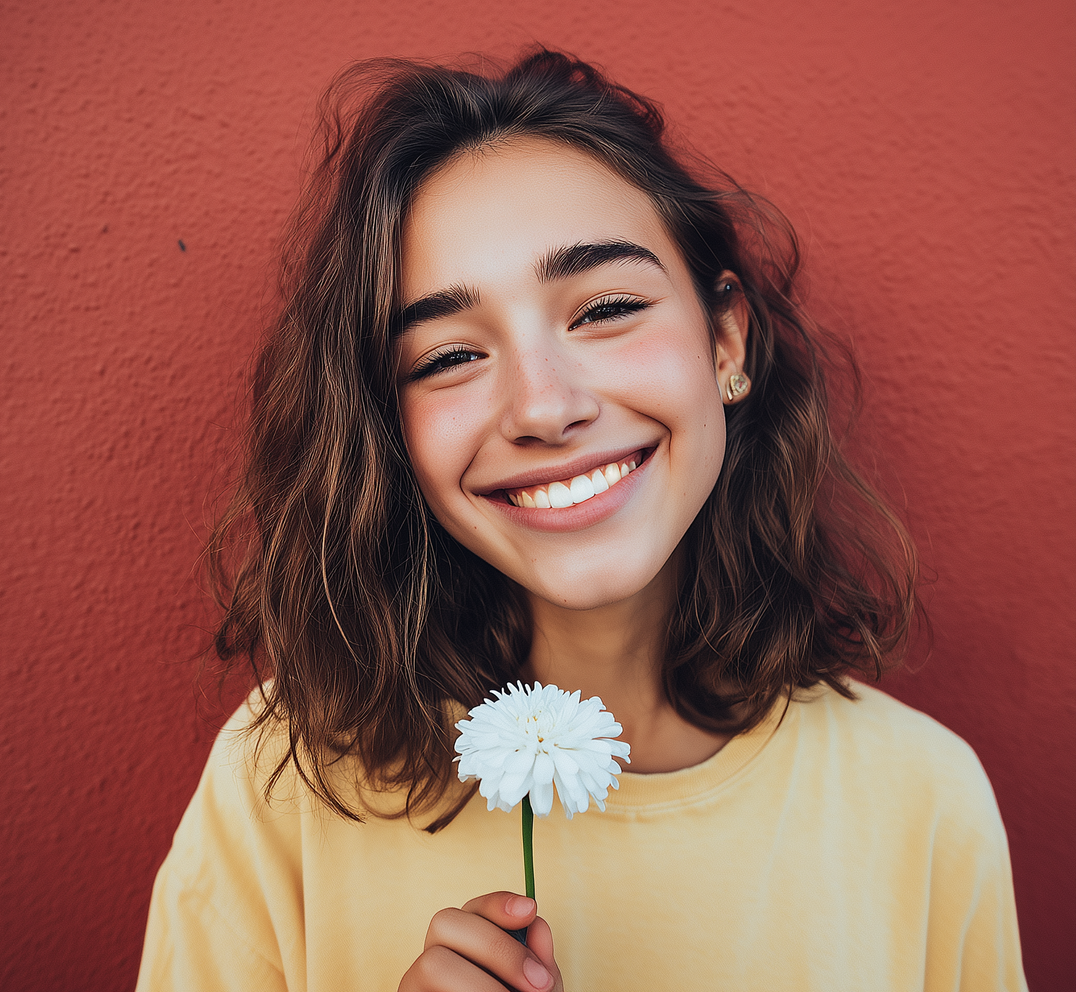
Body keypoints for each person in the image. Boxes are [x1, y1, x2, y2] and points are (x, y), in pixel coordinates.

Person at [136, 50, 1027, 991]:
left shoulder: (923, 801)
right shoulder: (286, 781)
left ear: (726, 342)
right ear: (388, 428)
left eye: (604, 308)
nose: (543, 408)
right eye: (446, 357)